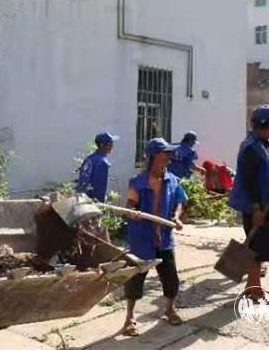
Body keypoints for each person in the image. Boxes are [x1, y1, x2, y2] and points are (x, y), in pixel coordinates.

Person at [122, 138, 188, 336]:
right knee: (135, 279)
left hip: (164, 238)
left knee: (171, 278)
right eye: (165, 153)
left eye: (169, 153)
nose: (169, 156)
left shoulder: (172, 180)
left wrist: (176, 216)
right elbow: (130, 204)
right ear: (154, 156)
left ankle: (170, 310)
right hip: (141, 238)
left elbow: (180, 201)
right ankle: (129, 318)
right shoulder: (139, 182)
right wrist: (133, 212)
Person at [229, 105, 269, 299]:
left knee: (259, 249)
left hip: (266, 204)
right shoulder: (251, 148)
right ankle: (254, 290)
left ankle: (253, 286)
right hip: (257, 207)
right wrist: (256, 209)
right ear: (268, 124)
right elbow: (250, 181)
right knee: (255, 250)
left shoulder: (266, 143)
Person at [76, 132, 118, 202]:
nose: (112, 146)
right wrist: (101, 204)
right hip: (92, 202)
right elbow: (100, 188)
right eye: (110, 144)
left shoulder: (89, 158)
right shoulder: (102, 162)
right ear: (101, 145)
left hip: (81, 199)